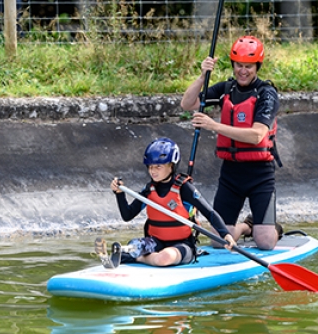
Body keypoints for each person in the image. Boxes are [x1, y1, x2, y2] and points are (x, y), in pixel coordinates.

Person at [180, 35, 282, 250]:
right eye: (239, 66)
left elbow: (256, 135)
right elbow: (187, 104)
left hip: (260, 175)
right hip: (231, 174)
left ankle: (266, 229)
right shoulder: (226, 89)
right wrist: (202, 76)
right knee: (218, 240)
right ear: (233, 65)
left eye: (248, 66)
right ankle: (246, 227)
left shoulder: (267, 94)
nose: (243, 71)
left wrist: (213, 125)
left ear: (257, 67)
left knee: (265, 243)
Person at [95, 137, 236, 268]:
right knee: (135, 245)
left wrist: (226, 235)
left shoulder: (184, 188)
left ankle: (136, 258)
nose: (153, 171)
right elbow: (128, 215)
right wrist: (119, 194)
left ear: (171, 166)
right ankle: (130, 254)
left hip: (182, 245)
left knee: (164, 258)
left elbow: (209, 213)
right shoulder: (149, 189)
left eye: (158, 167)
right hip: (155, 242)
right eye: (150, 167)